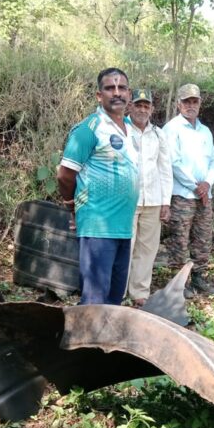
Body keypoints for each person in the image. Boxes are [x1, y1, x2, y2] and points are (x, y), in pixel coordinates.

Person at [57, 67, 139, 305]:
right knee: (94, 302)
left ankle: (106, 343)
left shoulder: (129, 128)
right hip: (97, 227)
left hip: (123, 228)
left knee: (114, 300)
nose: (116, 93)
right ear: (98, 95)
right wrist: (71, 205)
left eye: (121, 88)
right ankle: (85, 343)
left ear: (129, 93)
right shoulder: (89, 129)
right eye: (109, 88)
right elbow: (65, 175)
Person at [162, 83, 214, 296]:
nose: (190, 105)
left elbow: (213, 162)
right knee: (180, 239)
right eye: (186, 101)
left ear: (200, 104)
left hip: (204, 196)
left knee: (203, 238)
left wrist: (207, 184)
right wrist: (196, 187)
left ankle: (199, 279)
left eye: (194, 101)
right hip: (182, 196)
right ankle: (179, 285)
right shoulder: (172, 128)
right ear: (179, 104)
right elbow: (173, 163)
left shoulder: (205, 131)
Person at [126, 88, 173, 307]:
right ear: (130, 106)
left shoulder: (158, 133)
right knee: (125, 245)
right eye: (138, 105)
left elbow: (165, 168)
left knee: (147, 249)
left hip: (153, 200)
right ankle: (119, 290)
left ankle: (139, 292)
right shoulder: (121, 129)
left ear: (152, 109)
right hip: (127, 200)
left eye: (146, 106)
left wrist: (166, 201)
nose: (142, 109)